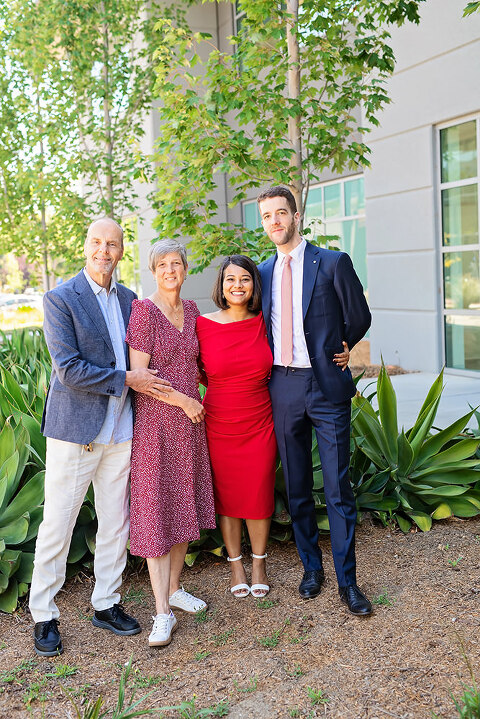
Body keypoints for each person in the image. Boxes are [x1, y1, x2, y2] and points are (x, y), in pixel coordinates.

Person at [30, 218, 172, 657]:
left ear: (122, 250)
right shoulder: (60, 298)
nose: (103, 251)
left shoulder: (130, 299)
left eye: (112, 244)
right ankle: (43, 614)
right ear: (85, 245)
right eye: (96, 242)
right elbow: (69, 369)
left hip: (121, 431)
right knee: (59, 522)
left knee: (116, 523)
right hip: (77, 432)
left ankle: (106, 603)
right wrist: (128, 377)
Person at [257, 186, 373, 616]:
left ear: (296, 215)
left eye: (281, 213)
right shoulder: (264, 272)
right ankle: (312, 569)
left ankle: (348, 582)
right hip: (283, 387)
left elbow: (359, 314)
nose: (275, 222)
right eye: (267, 216)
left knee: (339, 487)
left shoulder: (332, 262)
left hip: (327, 387)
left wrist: (346, 341)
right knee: (298, 486)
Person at [126, 239, 216, 647]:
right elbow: (140, 377)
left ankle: (175, 589)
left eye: (176, 263)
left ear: (185, 269)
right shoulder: (143, 312)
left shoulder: (193, 311)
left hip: (190, 428)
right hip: (158, 427)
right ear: (152, 270)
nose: (169, 270)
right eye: (162, 264)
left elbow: (202, 365)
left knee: (183, 506)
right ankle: (162, 612)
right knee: (158, 510)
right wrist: (183, 399)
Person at [196, 255, 278, 598]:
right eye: (230, 279)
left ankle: (259, 563)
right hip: (219, 421)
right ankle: (236, 566)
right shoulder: (203, 325)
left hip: (260, 419)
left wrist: (343, 348)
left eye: (245, 279)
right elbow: (196, 370)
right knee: (228, 497)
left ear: (254, 285)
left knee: (258, 492)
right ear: (221, 285)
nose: (237, 286)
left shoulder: (265, 322)